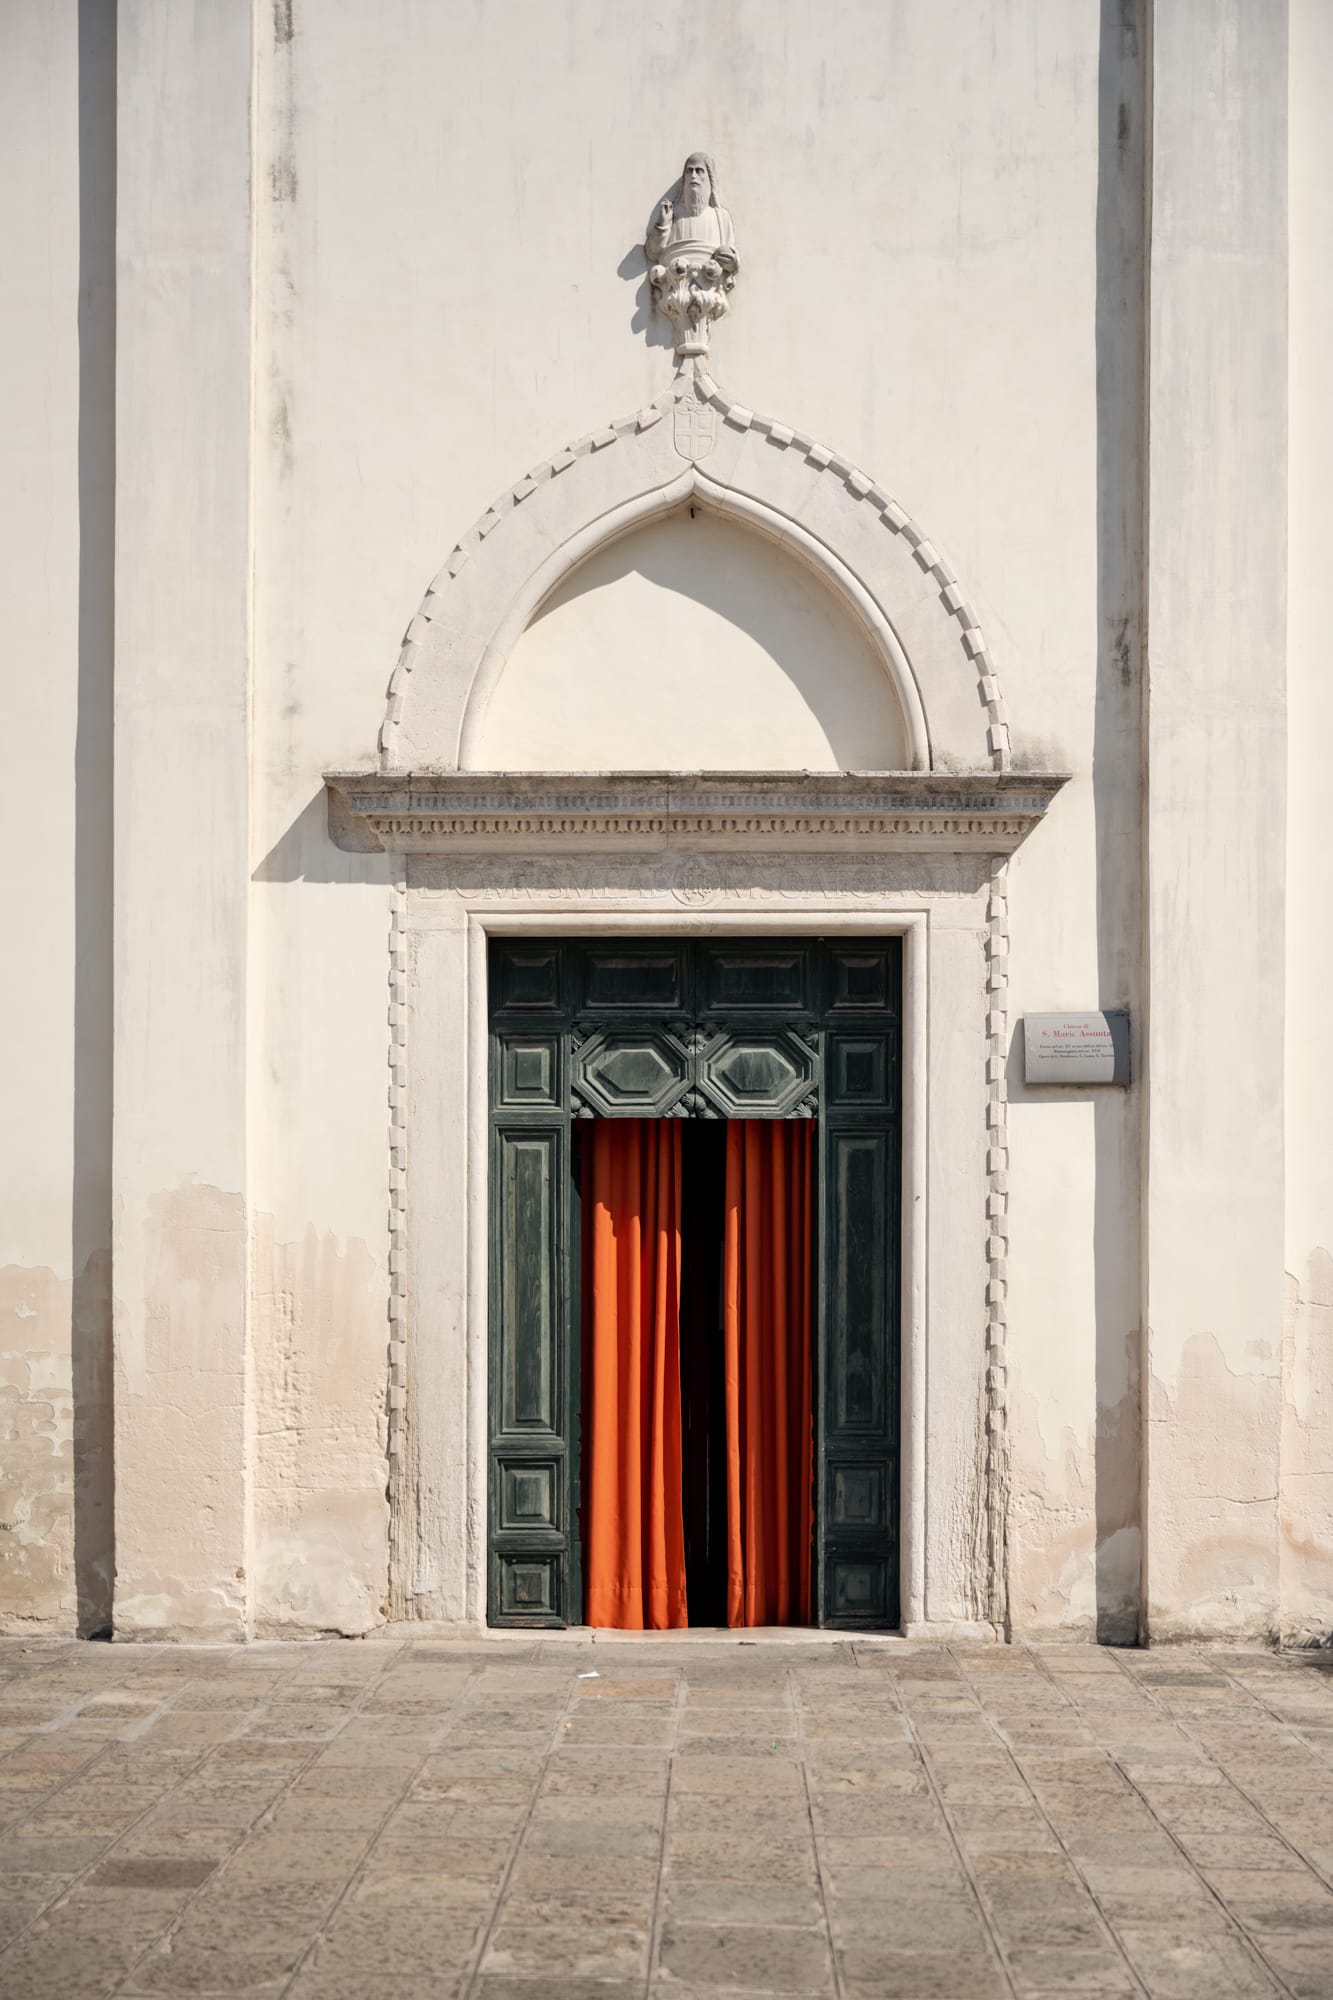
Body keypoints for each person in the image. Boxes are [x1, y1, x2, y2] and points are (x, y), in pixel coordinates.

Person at [646, 152, 738, 272]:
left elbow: (731, 255)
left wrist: (732, 262)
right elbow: (653, 252)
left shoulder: (721, 217)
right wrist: (662, 226)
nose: (693, 176)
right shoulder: (672, 213)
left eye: (699, 171)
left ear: (709, 178)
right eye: (689, 171)